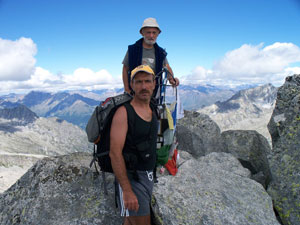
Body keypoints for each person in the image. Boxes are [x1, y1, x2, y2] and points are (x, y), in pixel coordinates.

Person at [110, 65, 158, 225]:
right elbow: (114, 153)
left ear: (154, 83)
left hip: (147, 175)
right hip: (133, 179)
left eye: (147, 81)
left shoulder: (152, 107)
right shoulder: (124, 113)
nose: (143, 86)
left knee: (131, 222)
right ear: (131, 85)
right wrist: (127, 190)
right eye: (138, 82)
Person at [122, 17, 179, 97]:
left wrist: (171, 79)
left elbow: (167, 67)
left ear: (158, 34)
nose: (151, 36)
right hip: (135, 91)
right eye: (148, 32)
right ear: (142, 33)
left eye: (154, 33)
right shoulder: (133, 50)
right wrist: (127, 89)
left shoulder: (160, 52)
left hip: (153, 92)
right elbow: (125, 68)